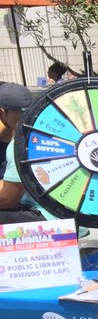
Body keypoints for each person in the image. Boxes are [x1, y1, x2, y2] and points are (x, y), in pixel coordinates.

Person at [0, 83, 52, 223]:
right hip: (70, 217)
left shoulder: (21, 143)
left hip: (48, 220)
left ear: (3, 112)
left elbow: (8, 199)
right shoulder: (49, 132)